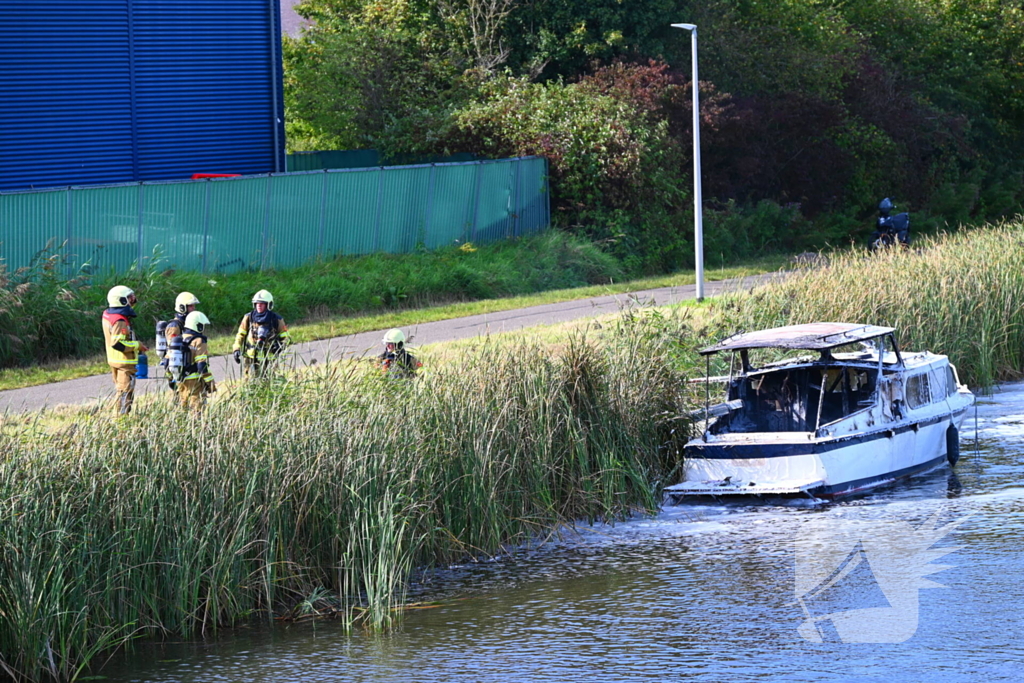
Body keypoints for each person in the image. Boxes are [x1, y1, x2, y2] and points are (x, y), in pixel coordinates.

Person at [102, 285, 147, 415]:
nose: (133, 300)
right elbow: (118, 344)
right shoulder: (119, 321)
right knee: (125, 392)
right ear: (121, 300)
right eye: (129, 298)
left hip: (114, 360)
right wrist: (137, 345)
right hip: (124, 363)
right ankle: (121, 420)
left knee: (120, 390)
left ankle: (118, 416)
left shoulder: (108, 314)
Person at [232, 289, 291, 378]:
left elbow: (287, 338)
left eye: (262, 303)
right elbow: (240, 335)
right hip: (250, 357)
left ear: (268, 305)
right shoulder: (249, 317)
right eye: (257, 303)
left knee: (269, 382)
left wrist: (280, 346)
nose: (259, 305)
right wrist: (236, 349)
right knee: (249, 383)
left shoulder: (276, 319)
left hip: (269, 358)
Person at [157, 292, 200, 400]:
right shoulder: (174, 326)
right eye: (191, 306)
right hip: (175, 364)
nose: (193, 308)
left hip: (186, 364)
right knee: (179, 394)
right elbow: (173, 348)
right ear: (182, 307)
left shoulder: (188, 323)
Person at [178, 311, 217, 411]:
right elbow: (202, 367)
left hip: (181, 380)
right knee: (197, 411)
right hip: (195, 382)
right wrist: (210, 383)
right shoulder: (199, 341)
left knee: (183, 409)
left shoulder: (180, 339)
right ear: (198, 325)